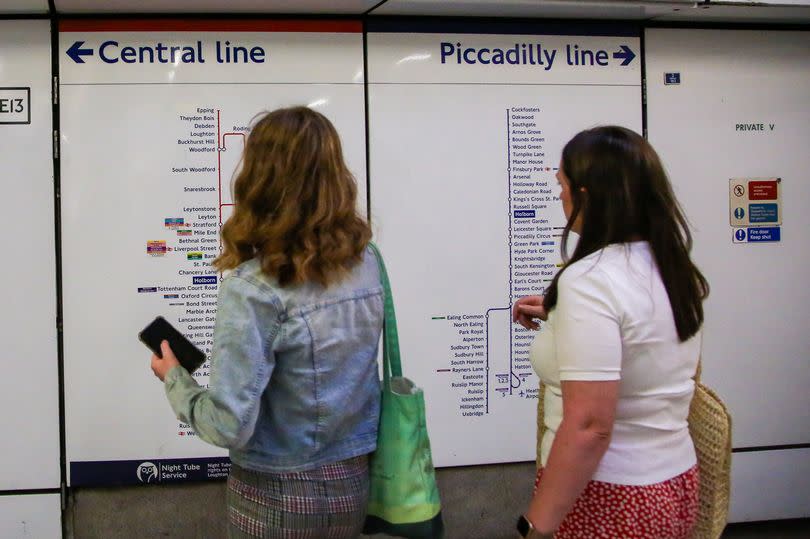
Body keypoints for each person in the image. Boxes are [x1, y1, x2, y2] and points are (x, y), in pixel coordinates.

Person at [149, 106, 384, 538]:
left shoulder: (255, 288)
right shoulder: (367, 262)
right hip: (354, 482)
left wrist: (175, 379)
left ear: (259, 180)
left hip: (276, 494)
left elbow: (227, 425)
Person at [513, 126, 709, 539]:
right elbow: (640, 340)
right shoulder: (670, 266)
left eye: (562, 185)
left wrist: (535, 527)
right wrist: (560, 315)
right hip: (672, 483)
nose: (559, 197)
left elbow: (589, 425)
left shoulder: (590, 279)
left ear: (587, 195)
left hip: (609, 493)